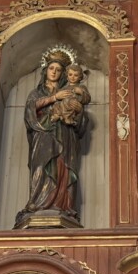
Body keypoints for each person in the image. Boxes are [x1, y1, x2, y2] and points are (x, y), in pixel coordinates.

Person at [15, 47, 88, 228]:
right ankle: (38, 203)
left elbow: (80, 120)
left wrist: (78, 111)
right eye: (51, 68)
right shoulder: (37, 92)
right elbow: (30, 110)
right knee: (41, 168)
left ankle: (62, 206)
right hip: (43, 137)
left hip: (65, 136)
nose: (54, 72)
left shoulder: (70, 90)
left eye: (58, 70)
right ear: (45, 70)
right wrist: (54, 97)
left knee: (63, 169)